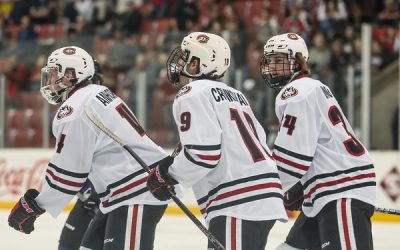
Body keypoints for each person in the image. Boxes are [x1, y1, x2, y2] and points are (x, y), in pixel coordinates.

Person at [8, 46, 178, 250]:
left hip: (136, 191)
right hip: (124, 193)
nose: (49, 81)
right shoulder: (98, 93)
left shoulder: (76, 107)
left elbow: (68, 174)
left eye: (54, 74)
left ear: (70, 75)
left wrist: (34, 206)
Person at [146, 32, 288, 250]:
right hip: (262, 194)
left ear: (197, 64)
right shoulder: (235, 95)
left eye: (186, 57)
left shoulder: (191, 93)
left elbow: (204, 155)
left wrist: (169, 176)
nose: (180, 62)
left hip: (238, 200)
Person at [259, 33, 376, 250]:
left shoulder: (296, 92)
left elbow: (292, 158)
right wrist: (299, 188)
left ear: (297, 60)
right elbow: (313, 146)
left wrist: (266, 190)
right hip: (324, 192)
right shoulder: (313, 87)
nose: (272, 66)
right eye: (270, 60)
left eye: (279, 60)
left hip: (341, 189)